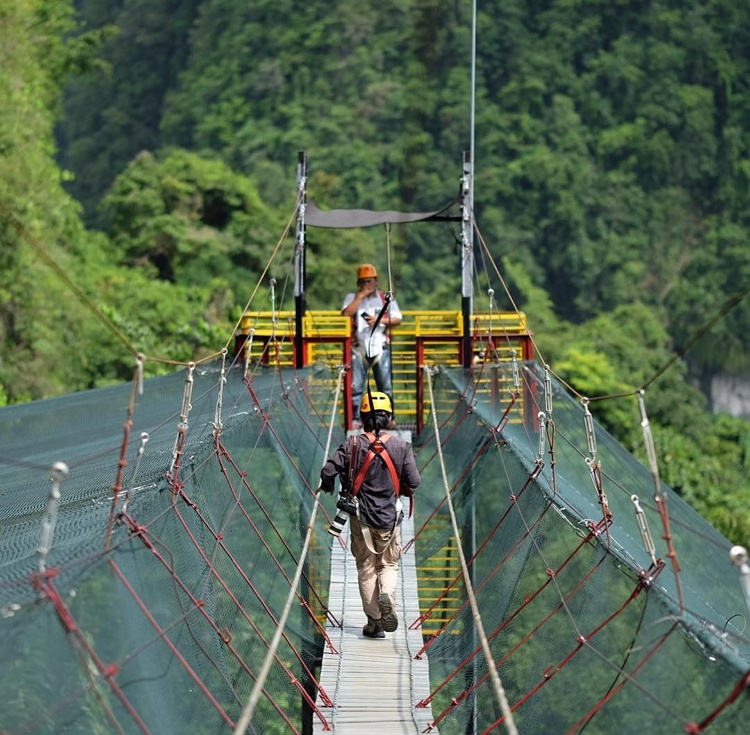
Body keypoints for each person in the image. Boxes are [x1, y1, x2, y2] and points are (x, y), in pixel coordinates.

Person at [320, 392, 420, 638]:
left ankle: (374, 622)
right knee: (388, 564)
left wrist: (330, 485)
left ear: (363, 418)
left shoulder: (351, 444)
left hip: (360, 519)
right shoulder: (401, 447)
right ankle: (387, 593)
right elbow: (414, 481)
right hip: (389, 520)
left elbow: (328, 470)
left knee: (366, 568)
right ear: (389, 418)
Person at [341, 264, 402, 426]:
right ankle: (355, 420)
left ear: (376, 281)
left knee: (385, 387)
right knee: (356, 387)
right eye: (363, 282)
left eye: (369, 281)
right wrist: (360, 297)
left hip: (379, 346)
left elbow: (397, 318)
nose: (367, 285)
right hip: (359, 347)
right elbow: (346, 314)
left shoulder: (385, 298)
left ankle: (389, 418)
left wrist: (379, 320)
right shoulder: (352, 298)